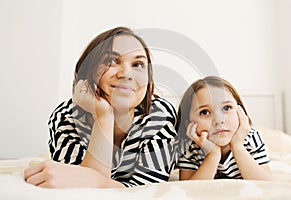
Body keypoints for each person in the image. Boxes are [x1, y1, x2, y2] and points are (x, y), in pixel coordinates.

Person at [24, 26, 178, 188]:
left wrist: (97, 181)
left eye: (138, 64)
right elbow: (79, 189)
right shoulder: (66, 116)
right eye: (112, 61)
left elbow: (147, 190)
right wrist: (104, 116)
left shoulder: (159, 115)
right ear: (88, 71)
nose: (126, 74)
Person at [175, 76, 273, 180]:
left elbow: (267, 184)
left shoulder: (250, 138)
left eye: (227, 108)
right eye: (204, 112)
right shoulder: (189, 147)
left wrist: (237, 146)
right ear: (188, 124)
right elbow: (188, 189)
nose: (219, 120)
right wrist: (213, 154)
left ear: (240, 112)